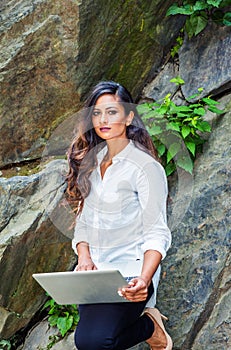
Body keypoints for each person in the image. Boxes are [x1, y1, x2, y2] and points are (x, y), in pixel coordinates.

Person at [66, 81, 172, 350]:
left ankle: (149, 324)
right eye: (97, 113)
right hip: (96, 275)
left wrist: (144, 280)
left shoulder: (146, 168)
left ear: (129, 117)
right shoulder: (91, 163)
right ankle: (148, 326)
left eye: (112, 112)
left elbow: (157, 232)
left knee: (96, 343)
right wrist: (85, 258)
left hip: (131, 274)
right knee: (87, 342)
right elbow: (84, 224)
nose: (103, 120)